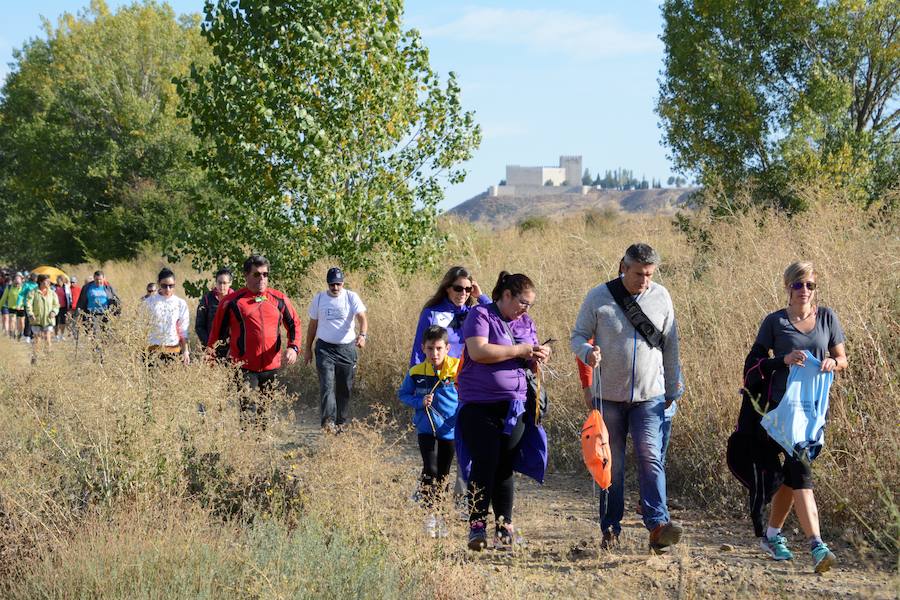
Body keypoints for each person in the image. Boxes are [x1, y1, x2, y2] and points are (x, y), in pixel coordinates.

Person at [570, 243, 684, 553]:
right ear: (624, 266)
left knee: (650, 456)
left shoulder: (661, 296)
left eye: (649, 275)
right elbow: (577, 336)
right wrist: (587, 352)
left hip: (650, 395)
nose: (644, 281)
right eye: (638, 274)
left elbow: (671, 344)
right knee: (612, 464)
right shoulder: (598, 296)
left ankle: (658, 526)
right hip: (609, 397)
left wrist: (673, 387)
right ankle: (610, 528)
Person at [745, 261, 847, 573]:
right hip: (780, 413)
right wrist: (783, 360)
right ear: (787, 287)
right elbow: (753, 364)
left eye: (810, 285)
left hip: (813, 412)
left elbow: (843, 358)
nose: (804, 291)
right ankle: (817, 545)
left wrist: (832, 362)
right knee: (800, 471)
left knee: (791, 476)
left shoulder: (827, 317)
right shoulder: (774, 322)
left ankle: (772, 535)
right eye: (798, 285)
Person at [456, 271, 551, 551]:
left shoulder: (526, 322)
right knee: (485, 461)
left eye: (530, 304)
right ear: (506, 295)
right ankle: (476, 525)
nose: (525, 309)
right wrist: (519, 349)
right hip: (479, 405)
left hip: (515, 407)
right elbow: (478, 351)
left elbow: (529, 357)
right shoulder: (481, 315)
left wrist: (538, 355)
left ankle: (504, 527)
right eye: (522, 302)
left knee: (504, 466)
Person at [208, 255, 302, 426]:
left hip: (271, 365)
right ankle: (247, 446)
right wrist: (214, 361)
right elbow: (217, 335)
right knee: (248, 410)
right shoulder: (232, 302)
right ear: (246, 275)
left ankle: (259, 447)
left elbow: (294, 324)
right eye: (257, 274)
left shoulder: (278, 298)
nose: (262, 279)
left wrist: (293, 347)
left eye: (265, 274)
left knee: (264, 411)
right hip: (243, 366)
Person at [398, 325, 460, 538]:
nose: (435, 354)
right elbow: (403, 394)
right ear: (423, 348)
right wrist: (419, 401)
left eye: (439, 348)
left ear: (447, 348)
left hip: (449, 430)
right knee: (430, 468)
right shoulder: (416, 372)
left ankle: (441, 516)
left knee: (442, 474)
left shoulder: (457, 369)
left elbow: (468, 394)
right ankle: (429, 516)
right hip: (426, 428)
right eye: (430, 348)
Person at [303, 267, 368, 433]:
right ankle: (328, 422)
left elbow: (362, 318)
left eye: (338, 284)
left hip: (346, 348)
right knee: (327, 385)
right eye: (332, 285)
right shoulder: (319, 299)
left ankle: (341, 422)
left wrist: (362, 335)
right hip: (325, 349)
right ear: (328, 284)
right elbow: (312, 326)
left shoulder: (351, 297)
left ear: (343, 283)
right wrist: (308, 349)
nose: (336, 288)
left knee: (344, 387)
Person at [409, 266, 490, 365]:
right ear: (447, 288)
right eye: (458, 288)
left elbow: (496, 318)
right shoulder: (431, 313)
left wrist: (481, 296)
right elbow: (419, 348)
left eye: (468, 289)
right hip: (439, 377)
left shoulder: (473, 313)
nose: (463, 293)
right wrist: (415, 376)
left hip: (468, 376)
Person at [143, 268, 190, 366]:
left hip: (173, 350)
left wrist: (186, 352)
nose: (168, 289)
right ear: (159, 284)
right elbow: (142, 326)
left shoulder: (180, 303)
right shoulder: (149, 302)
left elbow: (183, 331)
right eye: (164, 286)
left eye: (171, 286)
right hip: (152, 350)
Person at [195, 268, 233, 358]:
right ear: (216, 282)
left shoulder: (235, 299)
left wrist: (233, 347)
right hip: (210, 348)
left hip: (230, 349)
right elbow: (199, 326)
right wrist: (208, 345)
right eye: (219, 282)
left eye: (224, 283)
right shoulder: (207, 299)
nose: (222, 286)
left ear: (230, 283)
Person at [74, 270, 121, 337]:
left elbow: (116, 300)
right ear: (94, 278)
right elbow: (81, 301)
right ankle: (95, 346)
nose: (98, 281)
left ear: (104, 278)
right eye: (96, 279)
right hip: (91, 313)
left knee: (105, 333)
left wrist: (117, 312)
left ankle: (103, 346)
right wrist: (77, 314)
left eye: (100, 279)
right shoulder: (87, 287)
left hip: (105, 313)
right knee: (93, 332)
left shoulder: (108, 287)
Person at [26, 274, 59, 363]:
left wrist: (54, 312)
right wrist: (30, 314)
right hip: (36, 319)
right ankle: (34, 358)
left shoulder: (52, 293)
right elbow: (28, 304)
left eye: (49, 281)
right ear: (40, 281)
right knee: (37, 340)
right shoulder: (33, 292)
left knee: (48, 339)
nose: (49, 283)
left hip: (48, 320)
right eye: (46, 281)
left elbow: (56, 305)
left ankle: (48, 359)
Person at [1, 273, 24, 338]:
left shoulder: (23, 288)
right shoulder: (8, 287)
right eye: (16, 279)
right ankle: (12, 334)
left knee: (21, 322)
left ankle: (20, 334)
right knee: (12, 320)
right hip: (12, 307)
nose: (17, 280)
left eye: (19, 279)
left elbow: (26, 298)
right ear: (13, 280)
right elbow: (3, 298)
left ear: (21, 280)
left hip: (21, 308)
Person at [18, 273, 38, 343]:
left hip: (36, 305)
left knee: (35, 320)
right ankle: (27, 335)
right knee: (29, 320)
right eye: (35, 277)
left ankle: (32, 335)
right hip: (28, 305)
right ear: (32, 278)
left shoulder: (38, 285)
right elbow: (21, 294)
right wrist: (18, 304)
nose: (36, 279)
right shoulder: (27, 284)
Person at [54, 275, 72, 341]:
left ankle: (61, 334)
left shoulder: (66, 287)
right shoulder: (53, 287)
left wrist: (70, 306)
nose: (58, 282)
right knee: (56, 322)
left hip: (64, 306)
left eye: (59, 281)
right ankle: (56, 335)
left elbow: (69, 296)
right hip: (55, 307)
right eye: (57, 281)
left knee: (63, 321)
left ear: (62, 281)